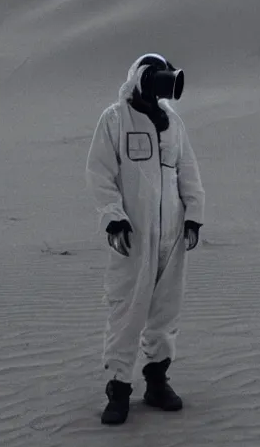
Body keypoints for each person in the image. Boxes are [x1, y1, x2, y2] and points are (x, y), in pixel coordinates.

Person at [85, 53, 205, 425]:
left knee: (165, 308)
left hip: (171, 233)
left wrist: (194, 216)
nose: (163, 87)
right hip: (133, 234)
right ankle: (119, 390)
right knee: (128, 309)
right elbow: (100, 173)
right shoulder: (115, 119)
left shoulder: (173, 122)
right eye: (158, 78)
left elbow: (188, 172)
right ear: (141, 78)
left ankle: (157, 382)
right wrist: (113, 219)